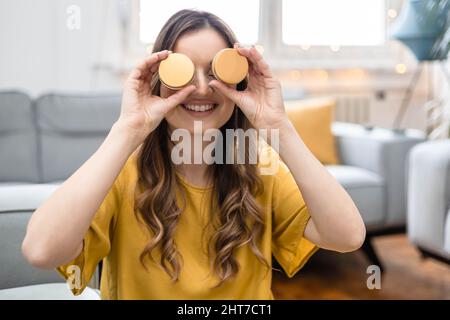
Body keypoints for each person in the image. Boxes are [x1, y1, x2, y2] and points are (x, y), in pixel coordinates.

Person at [22, 9, 365, 299]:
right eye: (183, 72)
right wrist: (127, 129)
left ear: (239, 81)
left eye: (218, 73)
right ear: (157, 80)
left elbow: (347, 236)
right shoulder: (123, 170)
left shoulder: (259, 165)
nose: (201, 88)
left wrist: (279, 126)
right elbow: (41, 250)